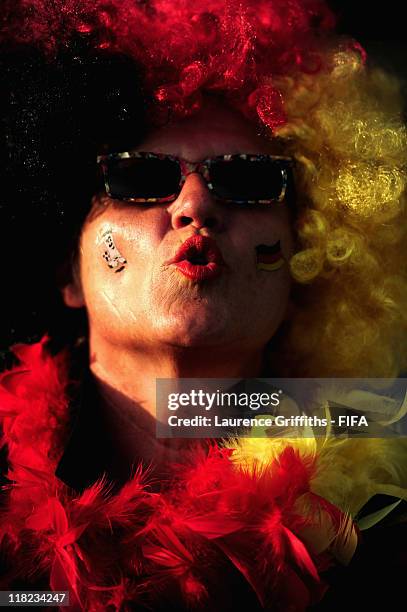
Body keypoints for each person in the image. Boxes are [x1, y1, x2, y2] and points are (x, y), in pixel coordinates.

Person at [0, 1, 406, 610]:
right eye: (139, 178)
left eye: (246, 182)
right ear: (68, 271)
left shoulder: (385, 531)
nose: (194, 205)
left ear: (309, 263)